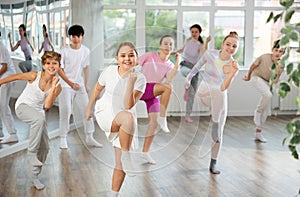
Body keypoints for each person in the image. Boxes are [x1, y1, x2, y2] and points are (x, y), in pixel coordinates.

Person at [86, 42, 146, 196]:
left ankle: (114, 194)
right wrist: (88, 108)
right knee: (127, 117)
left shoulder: (140, 79)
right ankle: (127, 156)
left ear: (137, 59)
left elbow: (127, 104)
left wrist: (131, 82)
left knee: (120, 163)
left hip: (127, 123)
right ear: (117, 59)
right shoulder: (109, 71)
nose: (127, 58)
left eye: (131, 55)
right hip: (106, 112)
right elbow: (97, 89)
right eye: (123, 55)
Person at [0, 51, 62, 190]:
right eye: (48, 63)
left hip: (38, 113)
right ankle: (31, 152)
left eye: (54, 63)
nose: (51, 66)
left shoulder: (58, 87)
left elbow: (47, 105)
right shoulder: (34, 75)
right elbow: (14, 76)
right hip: (22, 107)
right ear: (43, 65)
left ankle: (34, 176)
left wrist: (52, 87)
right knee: (39, 119)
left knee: (45, 147)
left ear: (59, 65)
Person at [186, 32, 240, 174]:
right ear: (222, 44)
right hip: (204, 92)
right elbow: (197, 67)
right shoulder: (210, 54)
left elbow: (223, 87)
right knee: (219, 93)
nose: (230, 48)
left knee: (219, 131)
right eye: (228, 44)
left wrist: (233, 74)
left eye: (234, 46)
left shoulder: (233, 66)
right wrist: (188, 78)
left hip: (219, 97)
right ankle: (214, 121)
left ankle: (213, 162)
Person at [58, 24, 102, 149]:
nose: (75, 38)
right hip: (65, 85)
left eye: (78, 36)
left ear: (82, 37)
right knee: (66, 110)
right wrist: (70, 83)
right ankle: (63, 137)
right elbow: (59, 69)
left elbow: (86, 67)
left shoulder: (86, 51)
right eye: (73, 36)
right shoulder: (64, 50)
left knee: (87, 109)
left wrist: (86, 84)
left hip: (79, 84)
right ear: (69, 37)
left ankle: (89, 136)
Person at [139, 35, 180, 164]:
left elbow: (169, 79)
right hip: (142, 88)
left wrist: (178, 62)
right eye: (166, 43)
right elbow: (134, 66)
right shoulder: (149, 55)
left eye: (171, 45)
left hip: (153, 93)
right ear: (160, 45)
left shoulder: (170, 64)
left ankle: (145, 153)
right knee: (168, 88)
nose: (168, 46)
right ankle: (164, 117)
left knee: (154, 123)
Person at [243, 40, 285, 143]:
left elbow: (275, 80)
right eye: (276, 50)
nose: (278, 53)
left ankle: (258, 132)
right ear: (272, 50)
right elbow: (253, 66)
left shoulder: (281, 64)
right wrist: (248, 76)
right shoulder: (264, 57)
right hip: (256, 77)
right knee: (267, 94)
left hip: (267, 82)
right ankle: (258, 111)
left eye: (281, 51)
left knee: (267, 110)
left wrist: (278, 67)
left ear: (283, 53)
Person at [177, 24, 211, 123]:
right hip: (184, 66)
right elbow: (182, 50)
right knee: (188, 74)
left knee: (192, 94)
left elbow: (204, 55)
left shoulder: (200, 45)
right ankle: (186, 86)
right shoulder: (187, 41)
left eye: (196, 32)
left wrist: (207, 43)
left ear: (199, 33)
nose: (194, 34)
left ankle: (188, 115)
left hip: (194, 70)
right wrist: (173, 52)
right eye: (192, 32)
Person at [0, 32, 18, 144]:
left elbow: (4, 66)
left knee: (3, 105)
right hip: (4, 77)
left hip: (7, 77)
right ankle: (0, 131)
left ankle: (13, 134)